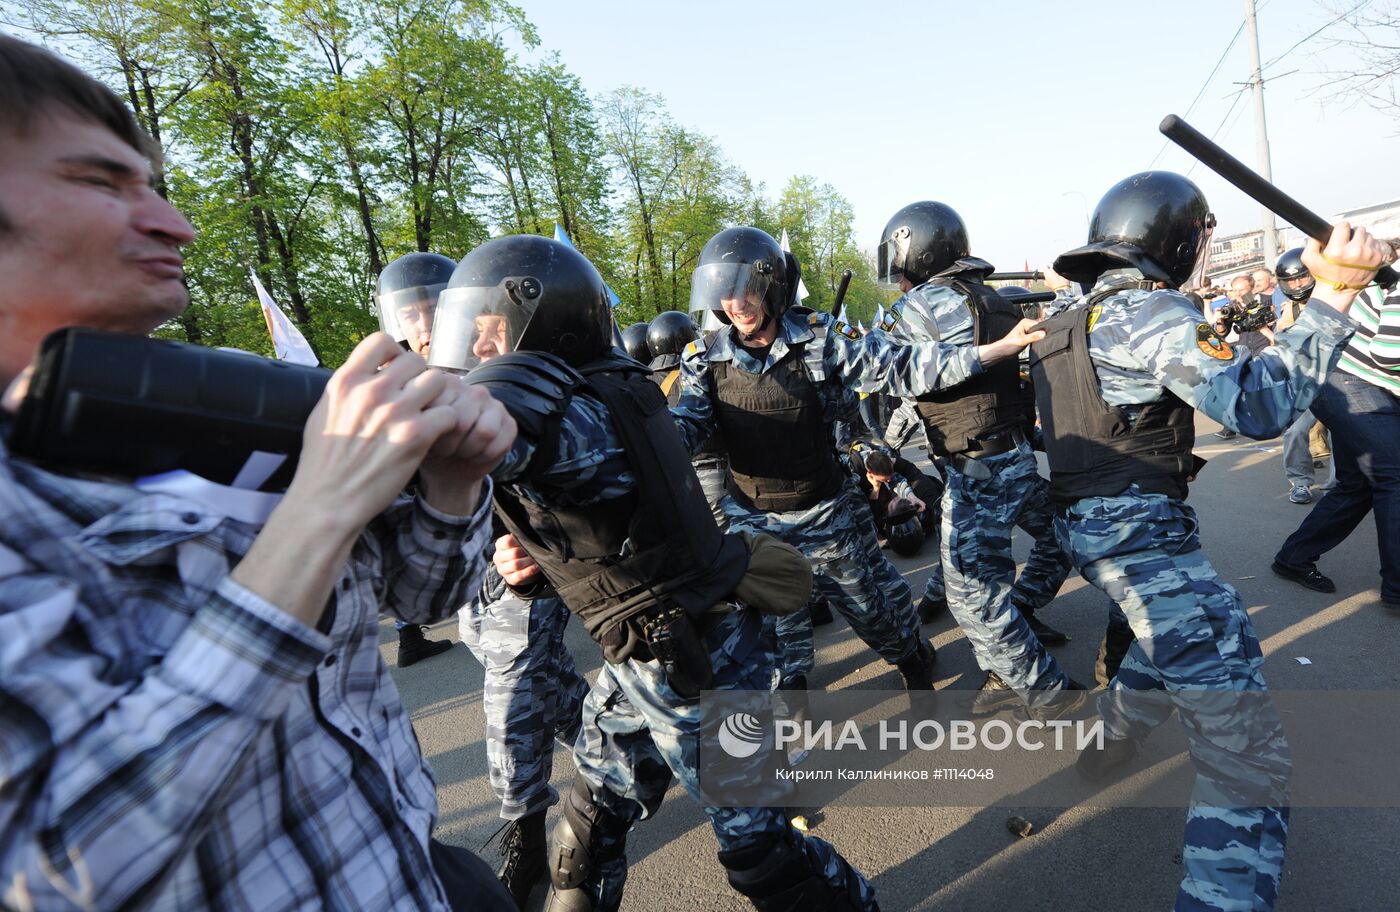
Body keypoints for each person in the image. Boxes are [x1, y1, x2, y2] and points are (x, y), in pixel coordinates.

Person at [0, 35, 518, 911]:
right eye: (100, 183)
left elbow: (426, 598)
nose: (175, 224)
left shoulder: (193, 405)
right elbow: (61, 871)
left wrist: (454, 485)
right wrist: (316, 511)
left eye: (151, 184)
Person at [431, 234, 877, 912]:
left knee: (764, 859)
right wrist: (531, 566)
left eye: (493, 333)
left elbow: (491, 441)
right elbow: (607, 536)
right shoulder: (605, 392)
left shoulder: (576, 415)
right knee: (583, 835)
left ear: (540, 323)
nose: (481, 349)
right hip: (643, 653)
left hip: (703, 662)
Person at [1032, 169, 1373, 912]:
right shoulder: (1146, 312)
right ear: (1183, 241)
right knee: (1247, 761)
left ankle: (1107, 746)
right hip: (1142, 544)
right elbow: (1258, 407)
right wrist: (1337, 295)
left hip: (1096, 535)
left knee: (1168, 649)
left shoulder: (1072, 317)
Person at [673, 225, 1021, 696]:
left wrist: (992, 351)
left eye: (747, 290)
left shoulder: (819, 338)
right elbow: (686, 429)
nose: (737, 305)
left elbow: (899, 365)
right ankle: (790, 684)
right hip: (752, 519)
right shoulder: (702, 359)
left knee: (869, 609)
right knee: (771, 625)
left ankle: (911, 655)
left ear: (771, 286)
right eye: (726, 294)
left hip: (823, 513)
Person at [874, 201, 1079, 712]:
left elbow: (898, 382)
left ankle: (1046, 690)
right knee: (1058, 545)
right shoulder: (993, 300)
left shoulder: (917, 309)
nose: (900, 283)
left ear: (913, 255)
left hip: (974, 473)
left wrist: (884, 446)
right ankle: (1009, 654)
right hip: (1015, 459)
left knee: (975, 602)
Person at [1273, 239, 1400, 607]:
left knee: (1357, 485)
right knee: (1395, 474)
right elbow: (1389, 353)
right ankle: (1396, 588)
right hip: (1352, 381)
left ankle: (1293, 559)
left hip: (1352, 381)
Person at [457, 556, 587, 908]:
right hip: (487, 541)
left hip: (539, 534)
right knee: (483, 636)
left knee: (512, 693)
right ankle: (606, 747)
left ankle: (529, 841)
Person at [376, 250, 462, 665]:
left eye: (434, 308)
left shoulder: (486, 361)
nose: (424, 324)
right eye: (411, 314)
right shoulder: (393, 384)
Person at [1272, 248, 1336, 504]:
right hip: (1309, 382)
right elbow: (1284, 339)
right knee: (1295, 431)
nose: (1297, 284)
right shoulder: (1292, 308)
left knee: (1345, 433)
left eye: (1302, 277)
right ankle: (1300, 483)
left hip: (1343, 380)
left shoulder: (1334, 297)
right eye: (1291, 280)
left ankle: (1339, 484)